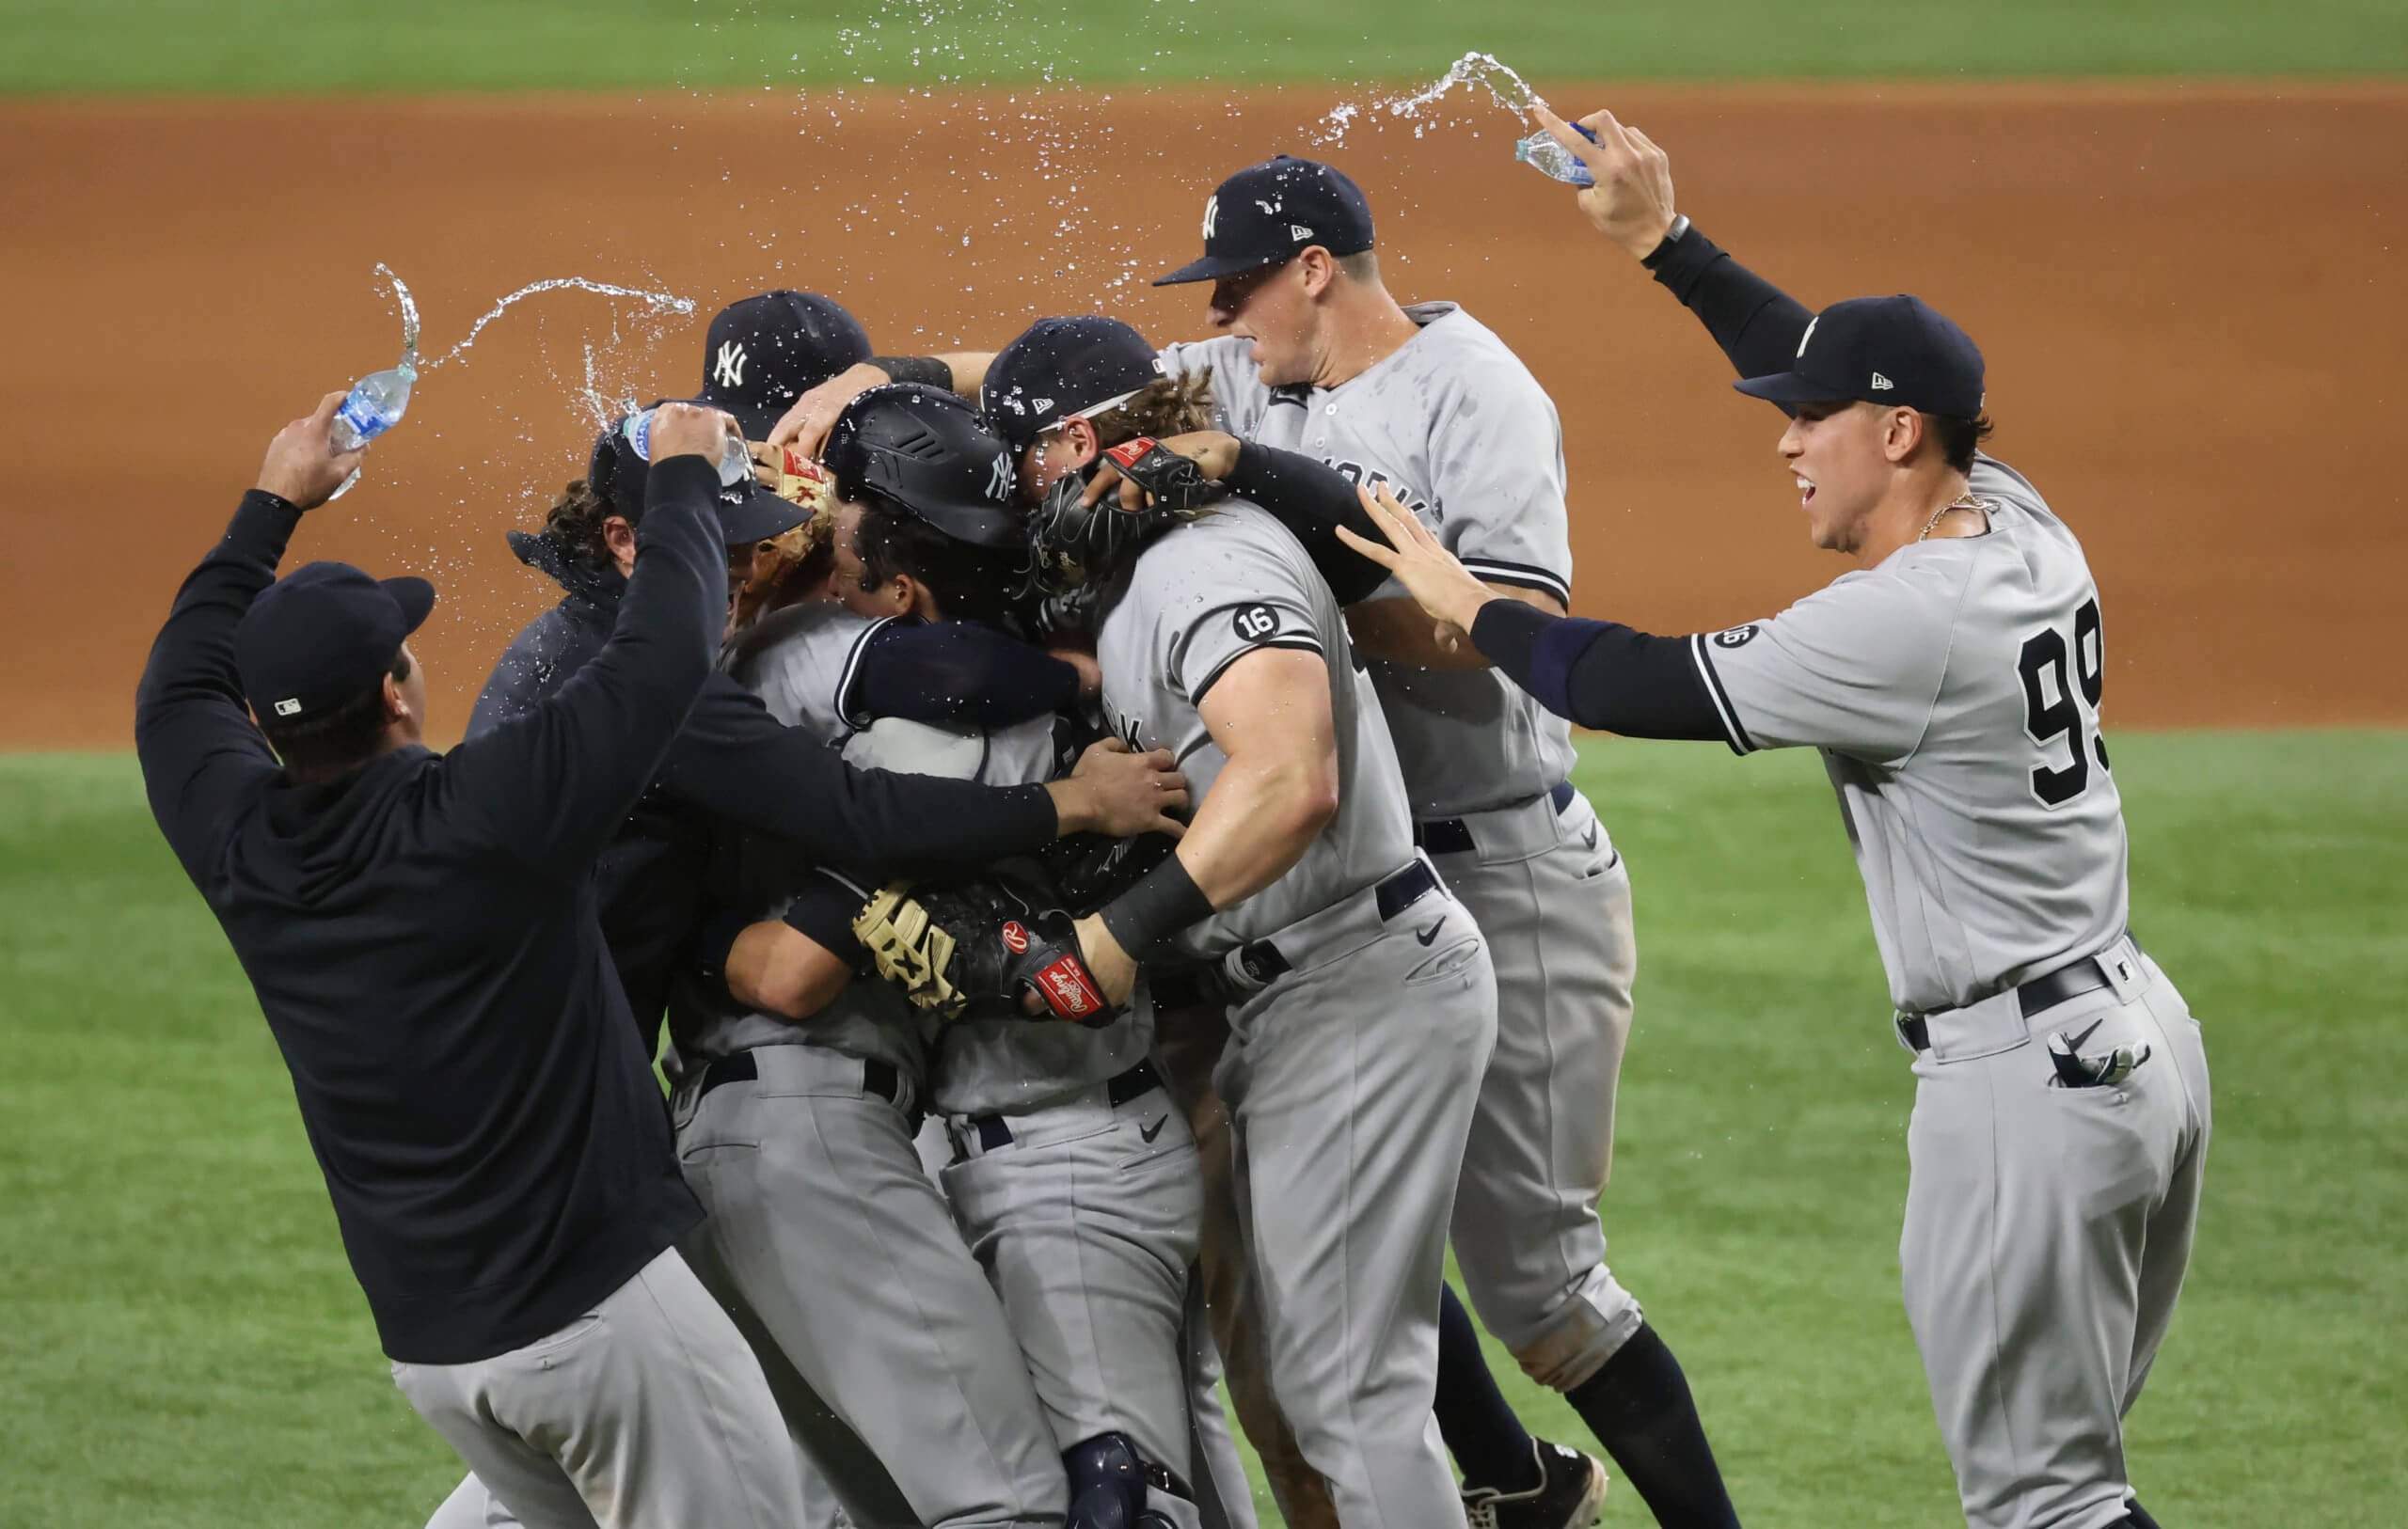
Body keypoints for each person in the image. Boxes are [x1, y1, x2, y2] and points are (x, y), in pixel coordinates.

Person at [1339, 103, 2212, 1529]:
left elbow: (1635, 680)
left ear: (1899, 431)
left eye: (1813, 423)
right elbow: (1838, 356)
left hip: (2029, 1083)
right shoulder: (2012, 515)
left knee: (2049, 1504)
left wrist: (1465, 599)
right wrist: (1668, 245)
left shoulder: (1903, 625)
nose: (1787, 441)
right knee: (2072, 1487)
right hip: (2134, 1038)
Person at [135, 395, 807, 1528]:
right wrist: (689, 477)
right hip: (605, 1331)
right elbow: (666, 651)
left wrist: (268, 508)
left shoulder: (234, 840)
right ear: (398, 692)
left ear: (265, 724)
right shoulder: (489, 815)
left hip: (439, 1358)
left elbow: (174, 685)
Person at [872, 329, 1504, 1529]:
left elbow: (1288, 781)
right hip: (1302, 987)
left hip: (1354, 979)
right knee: (1298, 1391)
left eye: (1022, 465)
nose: (1021, 500)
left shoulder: (1201, 563)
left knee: (1350, 1397)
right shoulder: (1155, 555)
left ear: (1073, 443)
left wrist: (1110, 943)